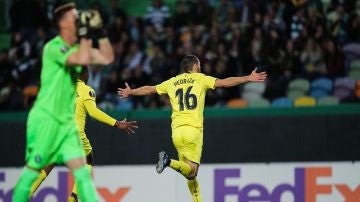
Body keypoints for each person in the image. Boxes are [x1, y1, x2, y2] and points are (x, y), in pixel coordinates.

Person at [118, 55, 267, 202]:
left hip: (176, 132)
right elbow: (224, 82)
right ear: (195, 66)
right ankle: (168, 161)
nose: (200, 67)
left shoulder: (172, 82)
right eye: (199, 64)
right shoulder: (200, 78)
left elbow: (150, 89)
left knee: (188, 170)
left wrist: (132, 92)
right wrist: (247, 78)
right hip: (193, 130)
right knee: (192, 171)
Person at [13, 3, 114, 201]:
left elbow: (107, 57)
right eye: (73, 17)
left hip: (63, 123)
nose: (78, 20)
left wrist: (100, 33)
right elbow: (80, 58)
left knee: (80, 166)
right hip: (46, 119)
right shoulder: (54, 47)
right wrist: (86, 34)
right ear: (64, 24)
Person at [28, 66, 138, 201]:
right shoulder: (87, 90)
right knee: (88, 159)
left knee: (50, 163)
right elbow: (94, 112)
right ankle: (73, 197)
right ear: (85, 74)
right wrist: (116, 123)